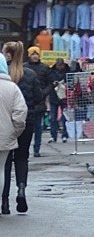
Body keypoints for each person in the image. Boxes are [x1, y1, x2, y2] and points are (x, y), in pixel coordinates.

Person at [2, 41, 42, 214]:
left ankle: (4, 202)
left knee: (4, 163)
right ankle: (21, 189)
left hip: (5, 123)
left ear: (8, 55)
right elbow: (38, 96)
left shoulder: (5, 73)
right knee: (22, 158)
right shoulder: (30, 74)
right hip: (27, 121)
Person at [0, 53, 28, 216]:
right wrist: (15, 132)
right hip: (5, 136)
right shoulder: (12, 88)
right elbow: (20, 114)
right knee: (1, 170)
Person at [23, 46, 53, 156]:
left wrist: (43, 94)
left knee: (38, 127)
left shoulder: (45, 68)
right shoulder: (23, 67)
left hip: (39, 101)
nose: (35, 56)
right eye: (33, 54)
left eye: (36, 54)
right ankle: (24, 148)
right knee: (25, 128)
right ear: (29, 55)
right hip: (26, 101)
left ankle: (37, 149)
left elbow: (50, 83)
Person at [49, 58, 70, 143]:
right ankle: (53, 135)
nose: (60, 67)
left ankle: (64, 135)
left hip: (64, 97)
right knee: (53, 118)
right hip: (54, 96)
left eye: (61, 65)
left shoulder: (68, 72)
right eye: (58, 65)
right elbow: (49, 82)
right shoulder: (51, 72)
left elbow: (71, 81)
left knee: (64, 117)